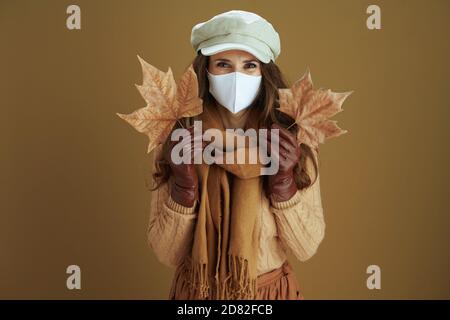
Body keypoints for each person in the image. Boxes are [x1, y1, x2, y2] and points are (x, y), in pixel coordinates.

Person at [147, 10, 325, 300]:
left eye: (249, 65)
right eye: (223, 64)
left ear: (264, 72)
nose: (236, 76)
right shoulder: (179, 136)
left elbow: (306, 247)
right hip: (198, 295)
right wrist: (184, 188)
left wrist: (283, 184)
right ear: (205, 70)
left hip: (269, 296)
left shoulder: (292, 138)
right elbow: (166, 253)